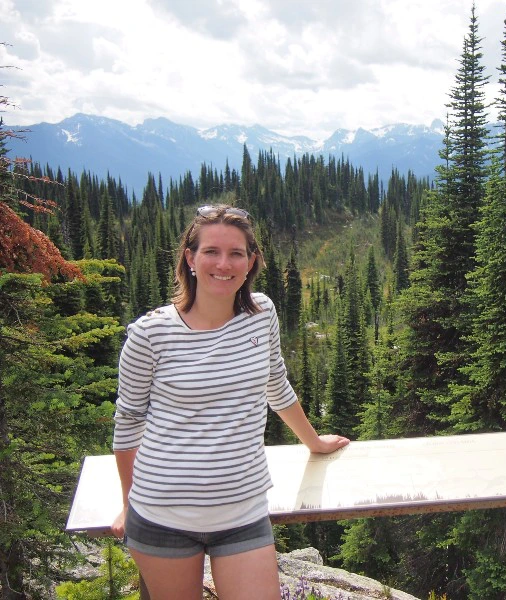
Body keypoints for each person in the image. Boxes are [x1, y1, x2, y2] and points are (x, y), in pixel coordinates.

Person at [110, 204, 349, 599]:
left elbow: (277, 385)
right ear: (190, 258)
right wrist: (127, 504)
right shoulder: (149, 334)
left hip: (243, 511)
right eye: (211, 252)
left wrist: (315, 443)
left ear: (251, 261)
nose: (224, 264)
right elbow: (129, 423)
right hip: (162, 513)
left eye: (236, 253)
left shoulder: (262, 313)